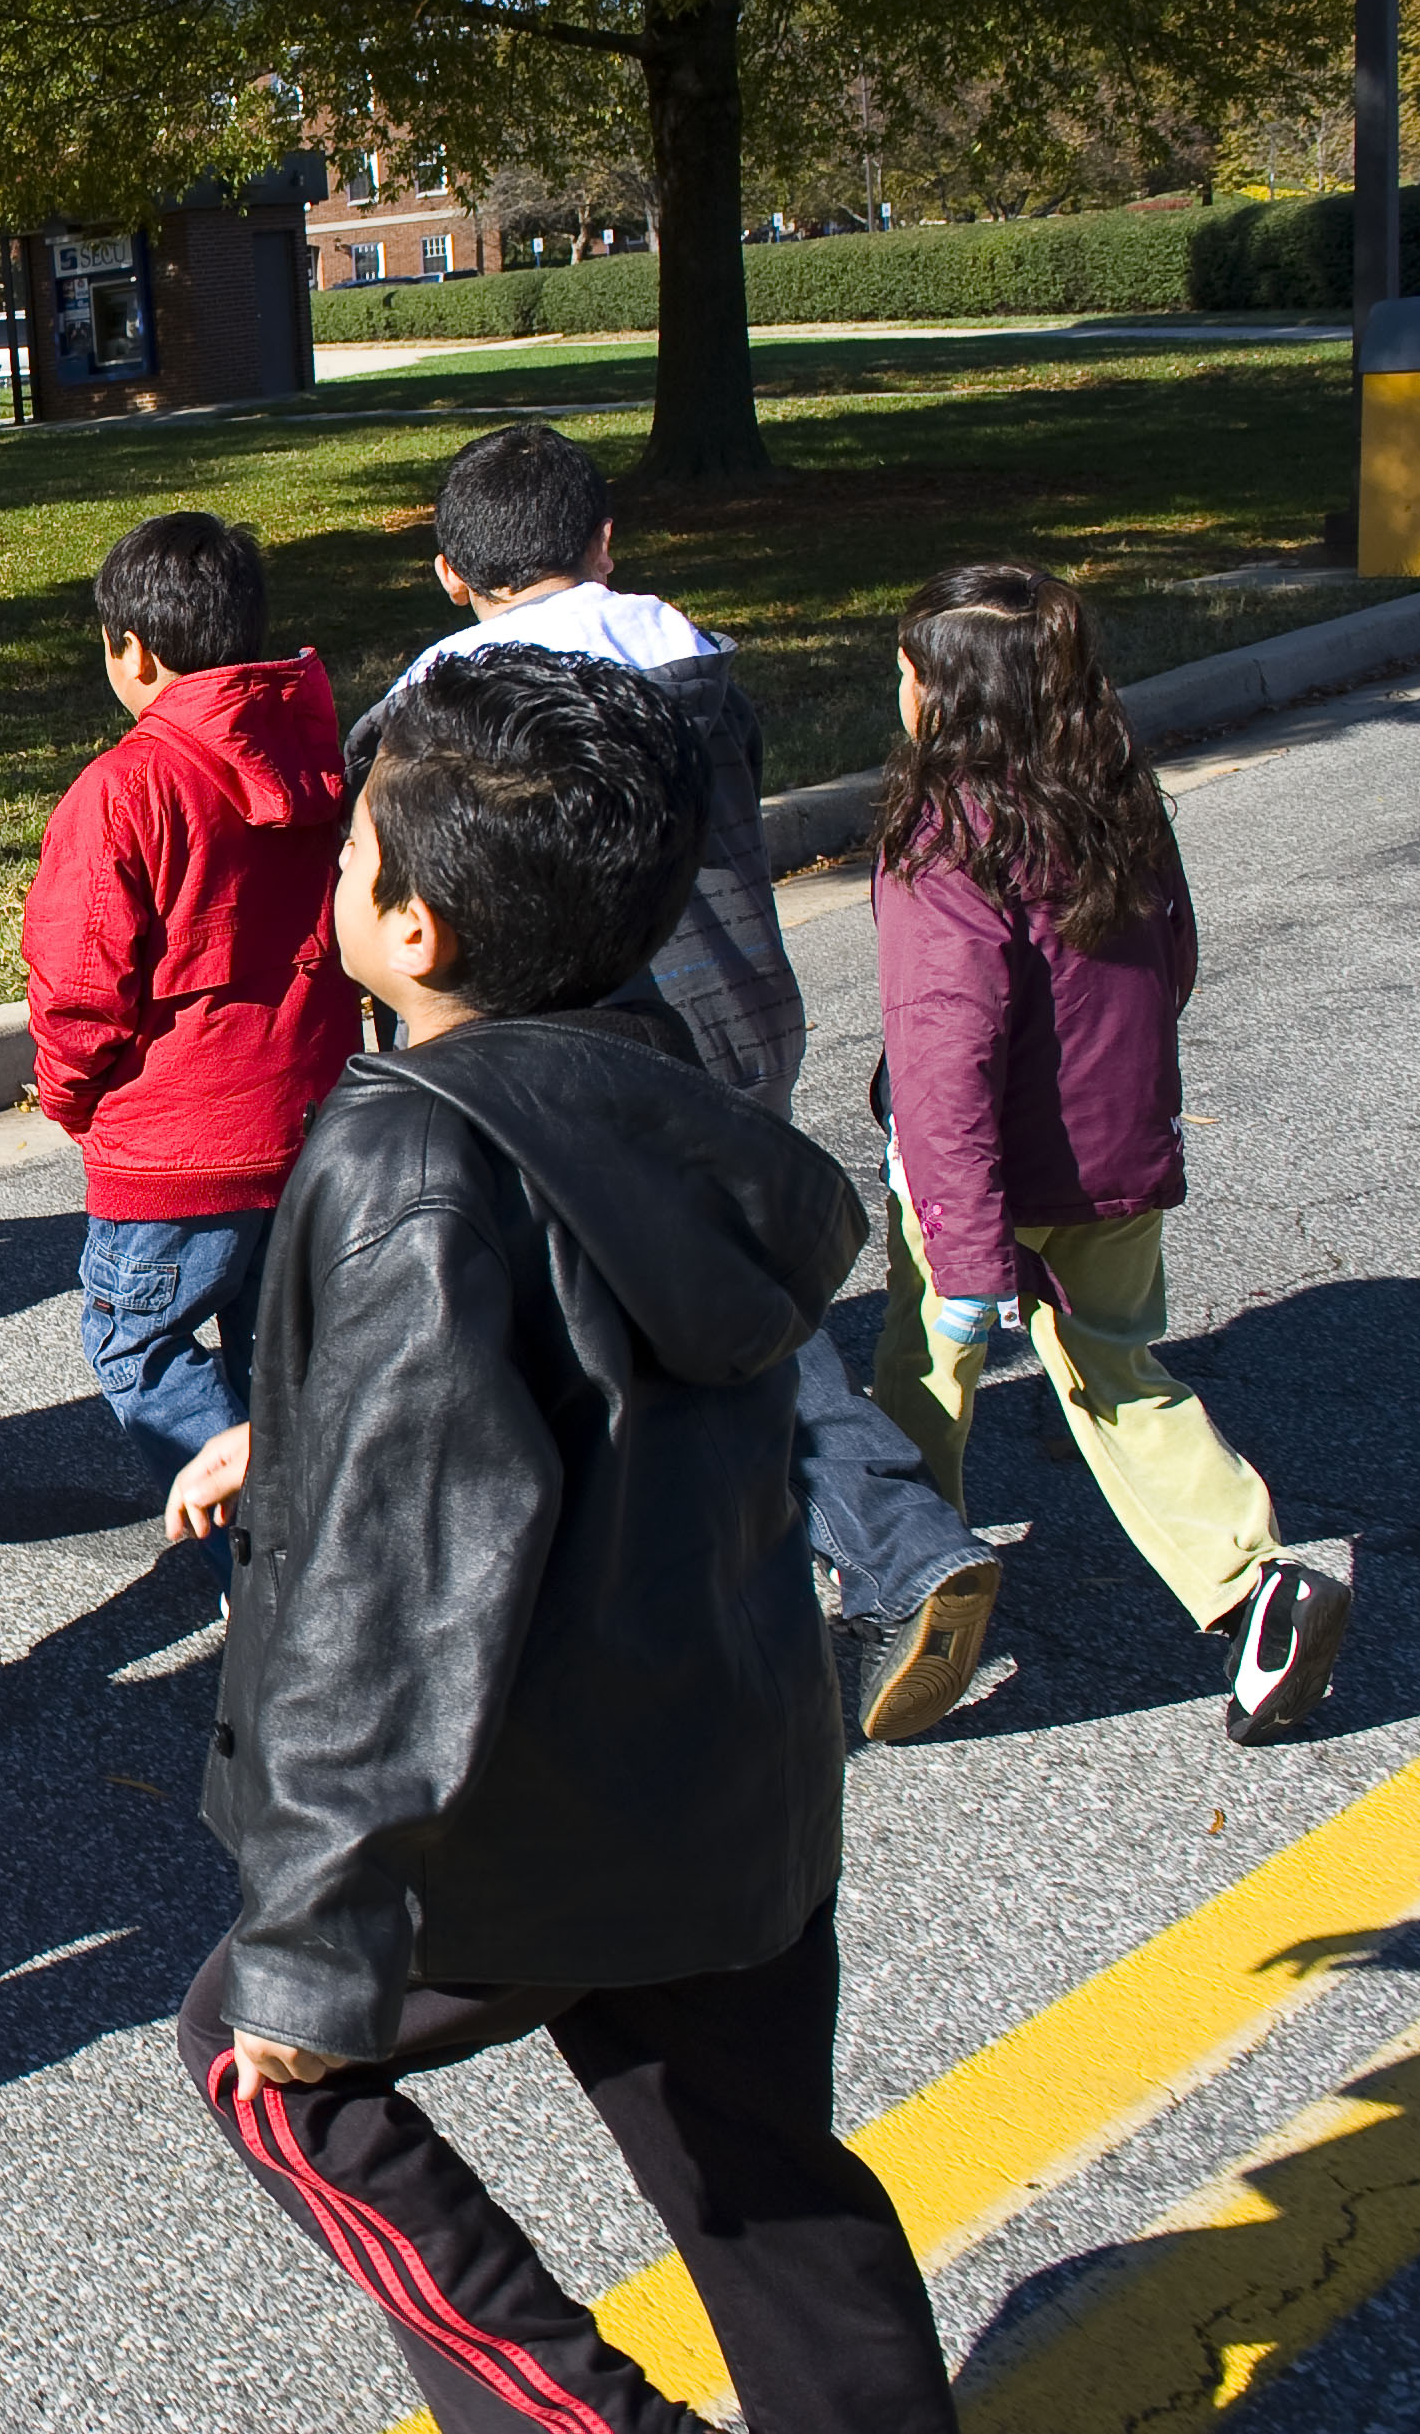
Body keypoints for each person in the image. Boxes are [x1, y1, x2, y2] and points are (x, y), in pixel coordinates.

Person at [170, 646, 955, 2434]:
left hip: (531, 1815)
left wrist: (313, 1941)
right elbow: (560, 1383)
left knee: (258, 2064)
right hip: (738, 1769)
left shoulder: (401, 1160)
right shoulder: (659, 1086)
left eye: (359, 850)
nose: (341, 874)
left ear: (418, 929)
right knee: (761, 2182)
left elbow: (397, 1596)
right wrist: (298, 1421)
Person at [388, 421, 1003, 1745]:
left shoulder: (443, 704)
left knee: (698, 1315)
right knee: (698, 1298)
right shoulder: (698, 659)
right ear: (607, 541)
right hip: (741, 1007)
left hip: (591, 1049)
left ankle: (888, 1545)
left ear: (449, 573)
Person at [868, 562, 1354, 1745]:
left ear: (945, 698)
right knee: (1121, 1374)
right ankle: (1252, 1584)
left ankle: (908, 1575)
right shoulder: (1119, 809)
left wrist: (974, 1259)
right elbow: (1169, 966)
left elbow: (943, 1068)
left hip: (971, 1183)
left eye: (904, 673)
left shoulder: (941, 847)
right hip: (1112, 1162)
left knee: (922, 1386)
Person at [19, 513, 354, 1514]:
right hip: (309, 1116)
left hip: (172, 1148)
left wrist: (68, 1096)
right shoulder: (317, 759)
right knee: (280, 1361)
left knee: (135, 1342)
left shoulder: (122, 790)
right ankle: (320, 1547)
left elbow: (79, 985)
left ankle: (262, 1569)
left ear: (132, 651)